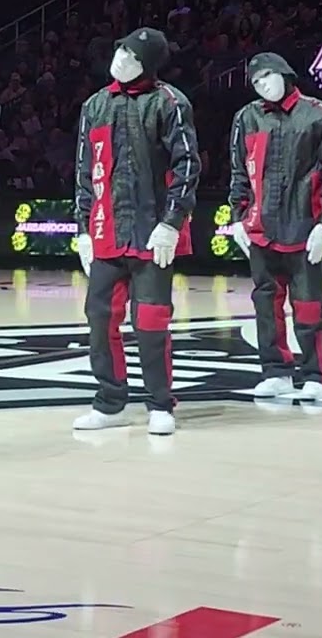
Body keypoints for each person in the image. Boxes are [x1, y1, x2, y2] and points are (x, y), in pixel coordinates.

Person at [70, 28, 201, 436]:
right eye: (121, 50)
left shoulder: (170, 102)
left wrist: (172, 222)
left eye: (132, 55)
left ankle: (160, 404)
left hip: (151, 234)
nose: (121, 59)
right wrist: (84, 229)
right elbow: (84, 172)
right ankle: (110, 402)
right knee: (99, 318)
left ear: (147, 65)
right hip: (107, 232)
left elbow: (187, 165)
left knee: (151, 320)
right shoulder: (95, 105)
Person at [227, 52, 322, 402]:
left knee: (309, 304)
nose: (262, 85)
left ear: (285, 73)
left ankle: (315, 374)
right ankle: (276, 371)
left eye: (267, 76)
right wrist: (237, 217)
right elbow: (239, 169)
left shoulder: (320, 116)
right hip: (260, 227)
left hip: (303, 226)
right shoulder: (247, 117)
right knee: (266, 305)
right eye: (256, 81)